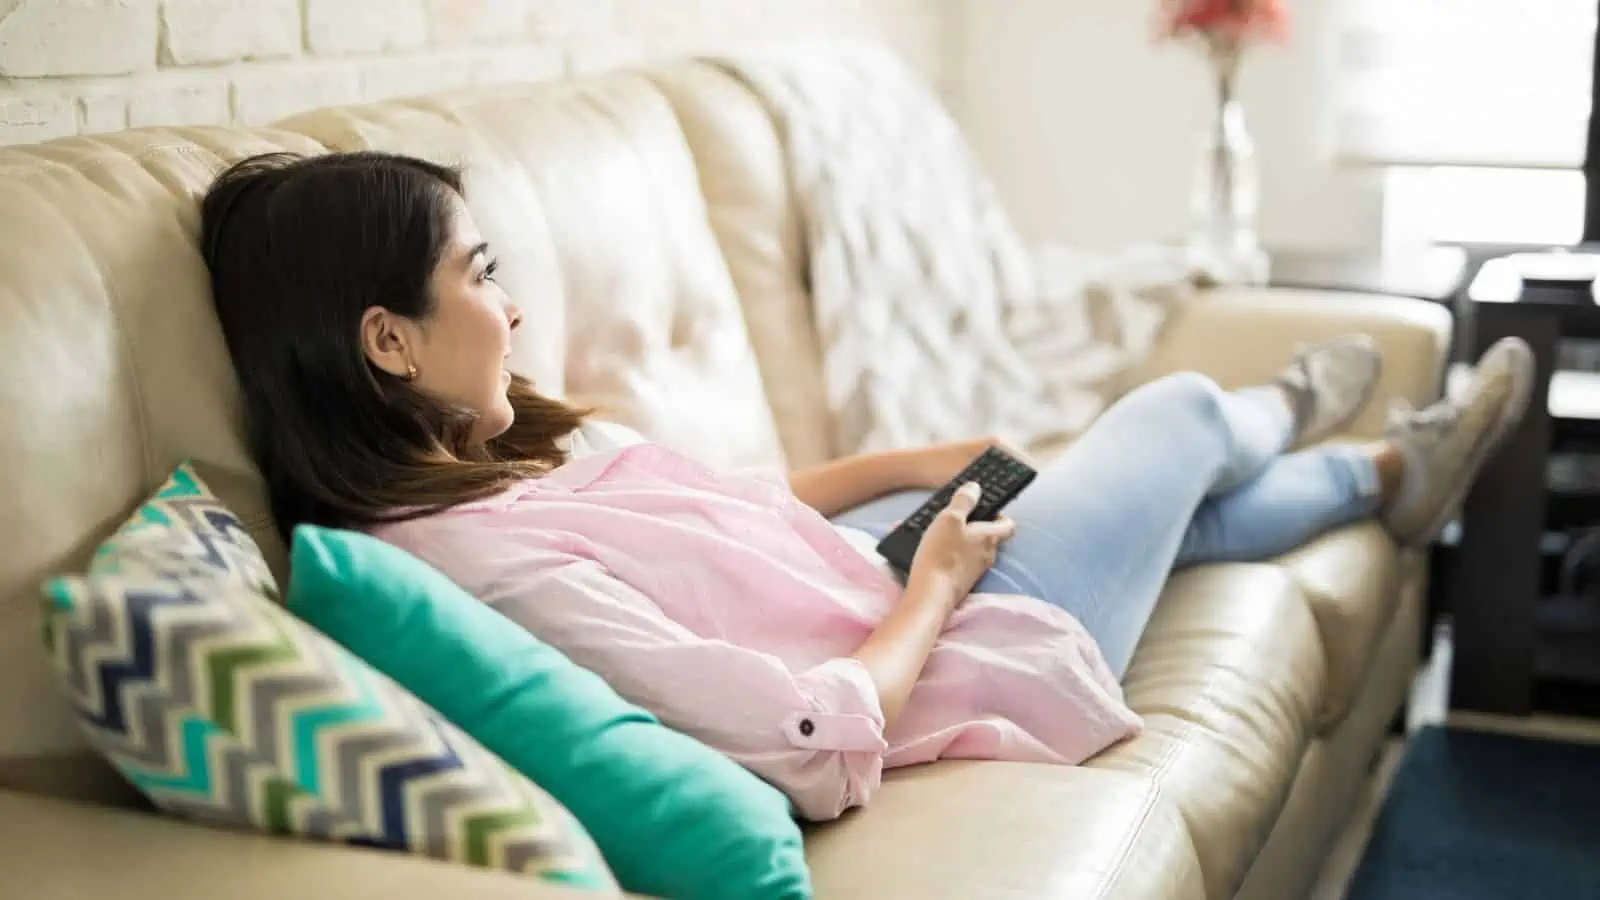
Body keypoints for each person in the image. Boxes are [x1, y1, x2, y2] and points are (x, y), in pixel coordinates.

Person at [201, 151, 1534, 822]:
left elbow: (734, 510)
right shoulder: (476, 569)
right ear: (387, 341)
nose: (512, 306)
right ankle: (1290, 408)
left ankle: (1387, 472)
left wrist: (907, 470)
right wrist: (939, 583)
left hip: (865, 569)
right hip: (943, 633)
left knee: (1167, 508)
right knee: (1179, 409)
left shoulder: (486, 467)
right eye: (481, 276)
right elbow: (804, 740)